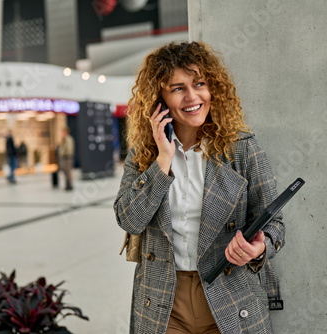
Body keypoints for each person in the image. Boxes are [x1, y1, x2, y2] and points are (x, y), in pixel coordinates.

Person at [114, 42, 284, 334]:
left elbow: (275, 224)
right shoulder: (144, 155)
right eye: (178, 88)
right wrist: (163, 160)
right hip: (163, 301)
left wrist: (259, 248)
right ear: (160, 100)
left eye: (200, 84)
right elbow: (129, 219)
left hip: (229, 296)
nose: (193, 97)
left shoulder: (241, 149)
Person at [59, 126, 75, 191]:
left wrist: (66, 154)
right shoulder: (64, 139)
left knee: (68, 171)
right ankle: (67, 184)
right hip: (64, 157)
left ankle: (70, 185)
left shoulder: (68, 139)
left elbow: (68, 148)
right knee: (65, 171)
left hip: (67, 157)